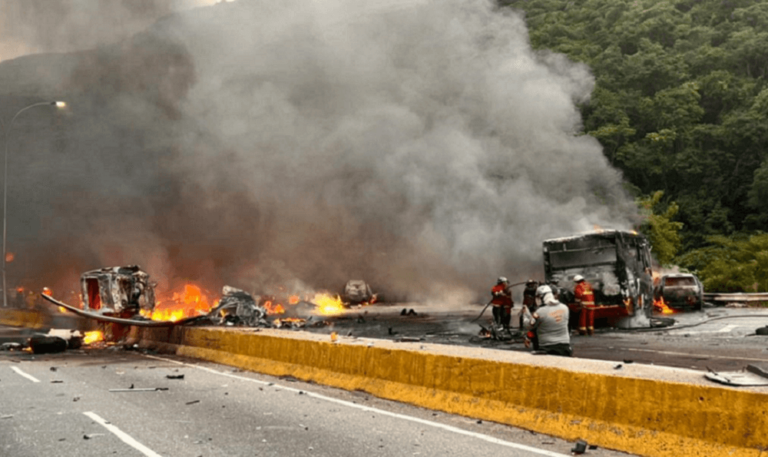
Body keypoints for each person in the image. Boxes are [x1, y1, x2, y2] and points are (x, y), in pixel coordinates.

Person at [521, 285, 572, 356]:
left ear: (541, 297)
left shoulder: (540, 312)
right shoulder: (565, 308)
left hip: (547, 347)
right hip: (565, 347)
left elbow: (529, 325)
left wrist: (525, 314)